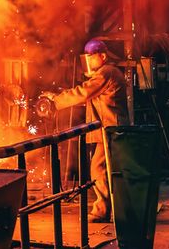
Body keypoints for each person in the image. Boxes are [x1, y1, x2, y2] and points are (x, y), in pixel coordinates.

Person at [42, 39, 129, 223]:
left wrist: (56, 102)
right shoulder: (105, 74)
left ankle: (102, 210)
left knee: (98, 168)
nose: (88, 61)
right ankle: (118, 209)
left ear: (102, 56)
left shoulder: (106, 72)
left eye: (91, 57)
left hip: (112, 129)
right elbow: (86, 96)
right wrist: (57, 97)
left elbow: (83, 92)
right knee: (108, 170)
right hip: (111, 129)